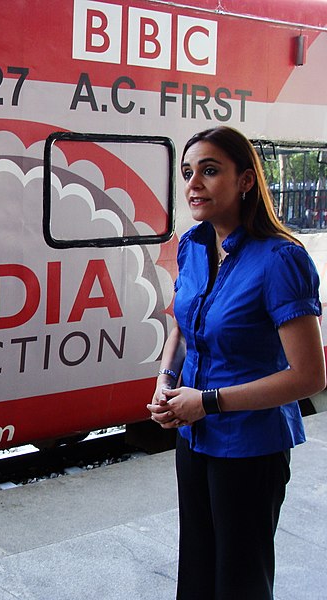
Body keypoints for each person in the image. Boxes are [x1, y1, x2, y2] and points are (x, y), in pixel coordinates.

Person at [147, 126, 325, 600]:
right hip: (195, 439)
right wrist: (166, 380)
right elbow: (185, 323)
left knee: (240, 584)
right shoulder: (193, 245)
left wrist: (207, 401)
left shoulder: (281, 259)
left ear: (246, 180)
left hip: (251, 447)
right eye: (188, 172)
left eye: (210, 171)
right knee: (198, 574)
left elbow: (309, 376)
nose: (193, 185)